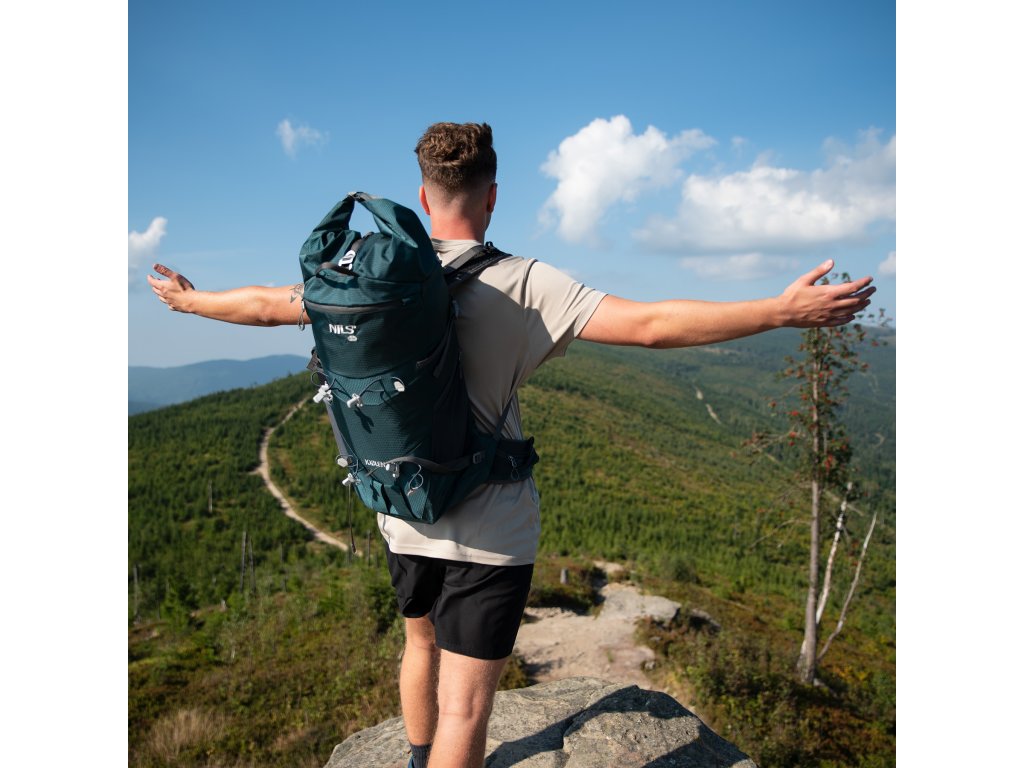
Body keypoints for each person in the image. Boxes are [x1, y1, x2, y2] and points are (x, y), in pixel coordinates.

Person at [148, 122, 874, 768]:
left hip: (401, 507)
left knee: (418, 645)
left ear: (423, 197)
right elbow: (652, 325)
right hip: (490, 530)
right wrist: (778, 311)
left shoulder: (370, 279)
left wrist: (189, 300)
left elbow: (265, 304)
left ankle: (416, 759)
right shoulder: (525, 283)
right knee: (468, 710)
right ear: (492, 196)